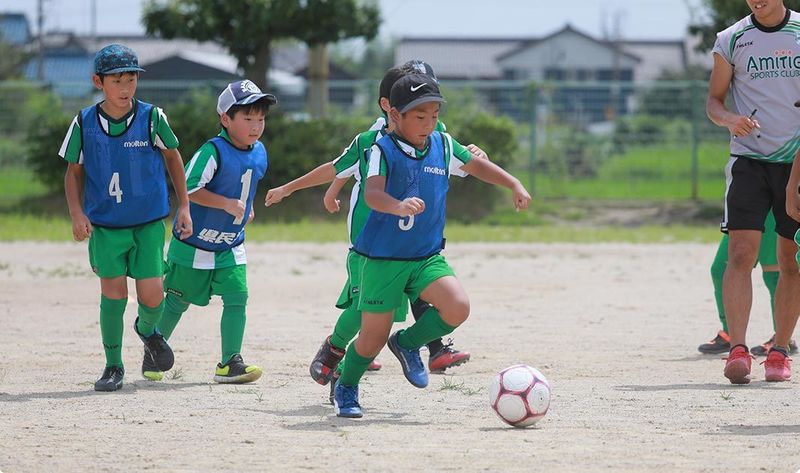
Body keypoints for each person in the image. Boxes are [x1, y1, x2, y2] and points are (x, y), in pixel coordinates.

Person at [265, 64, 479, 400]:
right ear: (389, 105)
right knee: (365, 309)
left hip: (415, 244)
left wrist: (480, 158)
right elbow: (339, 167)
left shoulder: (433, 135)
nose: (426, 112)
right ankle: (335, 350)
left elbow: (461, 162)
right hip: (372, 243)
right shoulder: (371, 141)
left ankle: (422, 347)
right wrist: (301, 189)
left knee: (422, 298)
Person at [333, 73, 531, 418]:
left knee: (457, 306)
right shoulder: (382, 149)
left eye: (434, 115)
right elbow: (373, 192)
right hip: (383, 259)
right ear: (395, 115)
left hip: (425, 256)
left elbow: (478, 166)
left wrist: (513, 182)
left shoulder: (442, 143)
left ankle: (408, 343)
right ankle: (346, 385)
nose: (429, 124)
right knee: (370, 339)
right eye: (419, 117)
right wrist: (396, 205)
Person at [60, 44, 193, 392]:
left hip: (147, 222)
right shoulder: (84, 121)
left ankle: (148, 330)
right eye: (117, 80)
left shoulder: (152, 117)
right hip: (105, 226)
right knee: (114, 295)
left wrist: (184, 205)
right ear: (98, 81)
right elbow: (73, 173)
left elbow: (173, 158)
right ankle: (113, 365)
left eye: (131, 79)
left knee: (152, 297)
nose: (125, 87)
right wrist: (77, 212)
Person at [144, 80, 277, 384]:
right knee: (177, 301)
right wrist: (226, 203)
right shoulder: (213, 150)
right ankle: (154, 349)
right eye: (247, 118)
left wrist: (247, 205)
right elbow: (188, 187)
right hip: (195, 243)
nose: (256, 126)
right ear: (225, 119)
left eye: (261, 118)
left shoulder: (259, 152)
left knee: (237, 296)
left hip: (230, 243)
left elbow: (248, 183)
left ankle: (230, 362)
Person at [706, 0, 800, 384]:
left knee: (789, 261)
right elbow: (714, 101)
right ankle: (738, 350)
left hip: (797, 162)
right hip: (749, 161)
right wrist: (729, 119)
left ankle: (780, 351)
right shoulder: (731, 39)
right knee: (740, 254)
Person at [698, 212, 797, 356]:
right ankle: (730, 332)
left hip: (773, 208)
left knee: (774, 275)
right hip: (747, 200)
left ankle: (782, 339)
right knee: (720, 270)